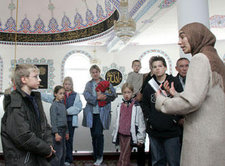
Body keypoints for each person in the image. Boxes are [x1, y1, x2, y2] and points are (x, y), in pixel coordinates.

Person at [155, 22, 225, 166]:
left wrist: (162, 101)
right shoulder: (215, 59)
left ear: (195, 36)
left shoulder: (200, 59)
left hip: (202, 136)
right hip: (215, 135)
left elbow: (191, 102)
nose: (179, 42)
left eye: (183, 37)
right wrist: (176, 94)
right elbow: (205, 97)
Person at [1, 64, 55, 166]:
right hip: (23, 160)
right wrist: (46, 149)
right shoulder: (15, 103)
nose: (39, 80)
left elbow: (45, 126)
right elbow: (23, 137)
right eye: (35, 77)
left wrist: (49, 145)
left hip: (38, 156)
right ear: (24, 79)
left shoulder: (34, 99)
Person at [142, 56, 183, 166]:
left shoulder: (174, 82)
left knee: (173, 161)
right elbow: (144, 104)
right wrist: (149, 118)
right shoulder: (149, 85)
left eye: (160, 66)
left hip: (171, 131)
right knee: (157, 161)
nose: (157, 69)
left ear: (165, 67)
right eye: (154, 67)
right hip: (154, 130)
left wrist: (175, 119)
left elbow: (181, 102)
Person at [41, 76, 82, 166]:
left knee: (68, 142)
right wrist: (36, 93)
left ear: (72, 85)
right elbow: (47, 98)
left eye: (69, 84)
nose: (67, 86)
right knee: (58, 147)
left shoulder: (75, 95)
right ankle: (57, 162)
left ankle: (68, 159)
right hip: (58, 127)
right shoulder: (56, 102)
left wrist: (66, 112)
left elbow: (78, 107)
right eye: (65, 84)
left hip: (69, 122)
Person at [82, 65, 117, 165]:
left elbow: (113, 94)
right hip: (91, 113)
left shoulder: (106, 83)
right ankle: (96, 155)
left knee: (98, 134)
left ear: (99, 72)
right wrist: (96, 98)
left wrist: (104, 97)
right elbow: (86, 95)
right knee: (93, 135)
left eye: (96, 72)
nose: (95, 74)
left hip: (102, 113)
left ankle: (100, 156)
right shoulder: (88, 84)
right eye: (93, 72)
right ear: (90, 73)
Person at [112, 83, 146, 166]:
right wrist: (114, 133)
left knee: (125, 155)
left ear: (133, 93)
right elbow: (117, 121)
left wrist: (140, 138)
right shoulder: (119, 106)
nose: (126, 95)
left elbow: (141, 123)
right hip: (121, 134)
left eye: (129, 92)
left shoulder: (136, 107)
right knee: (123, 153)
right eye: (124, 92)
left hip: (130, 135)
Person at [126, 60, 146, 166]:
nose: (137, 67)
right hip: (132, 100)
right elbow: (128, 87)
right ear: (132, 66)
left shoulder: (142, 76)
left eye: (139, 66)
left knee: (140, 127)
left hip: (140, 102)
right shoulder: (131, 75)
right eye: (135, 66)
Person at [50, 85, 69, 166]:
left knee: (64, 152)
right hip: (58, 131)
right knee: (58, 153)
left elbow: (65, 120)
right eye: (60, 93)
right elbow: (53, 121)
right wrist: (56, 133)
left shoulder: (63, 105)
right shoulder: (54, 105)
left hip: (64, 131)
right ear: (55, 94)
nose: (62, 95)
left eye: (63, 94)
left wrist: (67, 132)